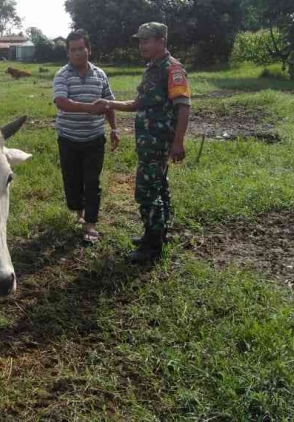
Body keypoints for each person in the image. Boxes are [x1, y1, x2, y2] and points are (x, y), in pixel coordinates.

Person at [94, 22, 191, 263]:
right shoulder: (152, 69)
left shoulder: (172, 69)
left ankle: (152, 246)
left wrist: (178, 142)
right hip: (148, 142)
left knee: (146, 191)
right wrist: (109, 103)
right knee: (159, 187)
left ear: (161, 40)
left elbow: (184, 107)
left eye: (146, 40)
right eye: (140, 41)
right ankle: (157, 234)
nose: (141, 45)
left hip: (159, 142)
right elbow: (138, 104)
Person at [52, 29, 119, 244]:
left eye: (82, 48)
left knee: (92, 182)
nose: (78, 53)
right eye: (74, 50)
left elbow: (108, 103)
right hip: (68, 139)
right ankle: (77, 209)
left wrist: (114, 129)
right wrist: (90, 108)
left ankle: (90, 223)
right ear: (68, 54)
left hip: (94, 139)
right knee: (72, 182)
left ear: (88, 49)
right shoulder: (62, 75)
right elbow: (61, 102)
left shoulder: (100, 75)